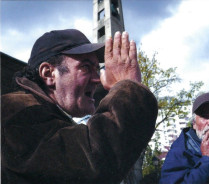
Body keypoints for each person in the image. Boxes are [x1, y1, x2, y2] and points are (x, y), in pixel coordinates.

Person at [1, 29, 158, 184]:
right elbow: (92, 165)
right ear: (49, 74)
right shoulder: (13, 111)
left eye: (97, 69)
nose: (97, 79)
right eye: (86, 67)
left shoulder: (46, 119)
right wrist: (129, 90)